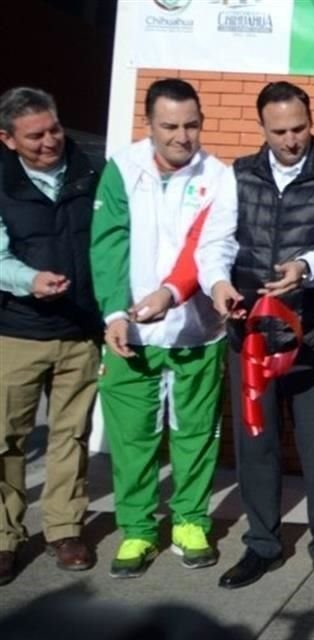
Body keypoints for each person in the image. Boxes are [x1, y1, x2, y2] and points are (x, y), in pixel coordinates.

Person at [197, 81, 314, 593]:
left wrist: (305, 267)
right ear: (262, 128)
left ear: (311, 122)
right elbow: (216, 242)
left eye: (299, 129)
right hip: (251, 336)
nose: (292, 140)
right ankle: (262, 546)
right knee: (256, 444)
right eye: (280, 131)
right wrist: (218, 283)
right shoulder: (236, 175)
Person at [90, 78, 233, 579]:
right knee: (133, 438)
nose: (182, 136)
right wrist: (113, 313)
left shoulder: (219, 177)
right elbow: (107, 245)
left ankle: (190, 522)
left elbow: (208, 250)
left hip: (197, 331)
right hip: (131, 334)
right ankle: (137, 530)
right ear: (148, 125)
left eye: (192, 125)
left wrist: (174, 295)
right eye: (169, 125)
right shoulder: (121, 169)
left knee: (194, 433)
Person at [0, 87, 101, 585]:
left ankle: (63, 529)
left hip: (80, 332)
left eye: (54, 129)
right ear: (7, 139)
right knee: (6, 440)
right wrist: (29, 280)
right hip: (17, 332)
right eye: (35, 135)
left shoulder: (90, 173)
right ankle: (4, 537)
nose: (49, 142)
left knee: (70, 437)